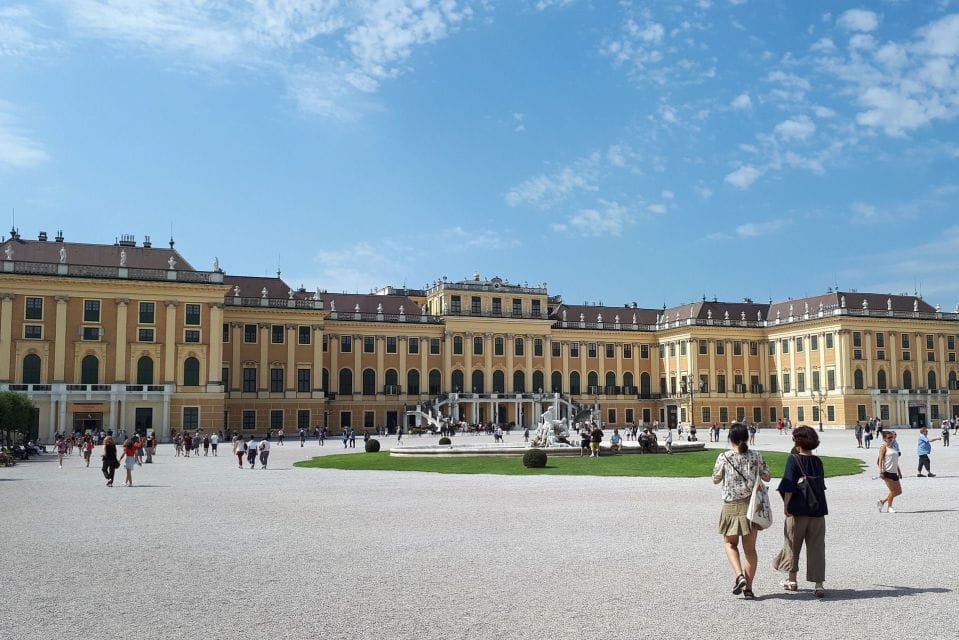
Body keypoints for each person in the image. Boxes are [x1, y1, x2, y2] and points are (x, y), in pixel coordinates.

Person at [712, 424, 771, 600]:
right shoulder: (756, 456)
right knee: (750, 550)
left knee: (730, 544)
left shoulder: (724, 457)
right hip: (751, 506)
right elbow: (767, 476)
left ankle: (739, 576)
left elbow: (715, 479)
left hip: (731, 505)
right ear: (746, 437)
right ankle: (749, 589)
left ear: (731, 438)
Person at [773, 426, 828, 597]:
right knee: (817, 547)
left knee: (792, 546)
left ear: (798, 442)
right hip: (818, 510)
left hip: (798, 510)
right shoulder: (818, 461)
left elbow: (789, 485)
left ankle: (792, 580)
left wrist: (786, 505)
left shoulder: (794, 459)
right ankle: (819, 584)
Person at [877, 431, 902, 513]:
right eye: (889, 438)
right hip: (887, 472)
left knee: (899, 491)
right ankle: (890, 507)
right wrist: (880, 472)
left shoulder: (894, 447)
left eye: (892, 437)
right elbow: (880, 460)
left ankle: (882, 502)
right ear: (884, 439)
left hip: (894, 472)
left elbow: (895, 461)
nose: (891, 439)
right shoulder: (883, 447)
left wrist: (899, 471)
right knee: (893, 491)